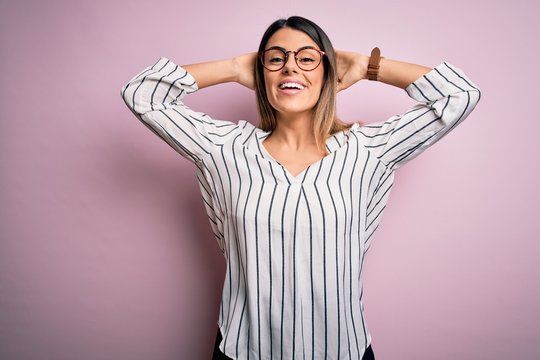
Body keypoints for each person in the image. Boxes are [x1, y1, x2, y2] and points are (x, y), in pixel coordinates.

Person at [121, 16, 480, 360]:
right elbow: (143, 94)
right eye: (276, 59)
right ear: (260, 74)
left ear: (329, 72)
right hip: (245, 350)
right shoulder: (223, 148)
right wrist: (233, 67)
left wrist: (367, 66)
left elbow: (459, 94)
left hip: (342, 351)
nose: (290, 67)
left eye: (307, 58)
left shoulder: (368, 150)